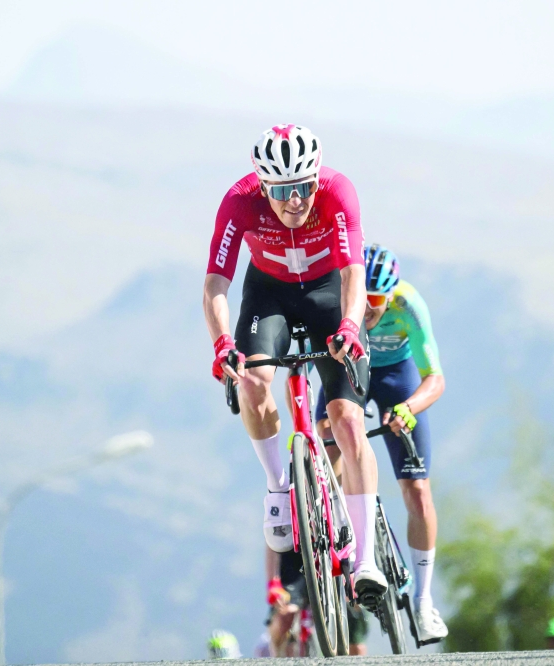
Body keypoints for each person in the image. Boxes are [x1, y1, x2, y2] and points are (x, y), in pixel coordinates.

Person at [203, 124, 386, 599]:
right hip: (271, 292)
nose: (296, 201)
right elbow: (215, 285)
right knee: (253, 378)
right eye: (282, 191)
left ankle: (365, 561)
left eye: (303, 186)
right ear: (262, 187)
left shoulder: (337, 191)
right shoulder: (240, 200)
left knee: (346, 419)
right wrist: (223, 343)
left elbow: (352, 272)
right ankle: (278, 487)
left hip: (328, 293)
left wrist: (349, 325)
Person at [316, 244, 448, 643]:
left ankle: (424, 603)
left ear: (391, 294)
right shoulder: (339, 297)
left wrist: (408, 408)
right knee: (327, 434)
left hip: (396, 377)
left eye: (376, 300)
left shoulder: (408, 304)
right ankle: (344, 525)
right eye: (362, 297)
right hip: (349, 363)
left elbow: (435, 378)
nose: (369, 309)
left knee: (418, 491)